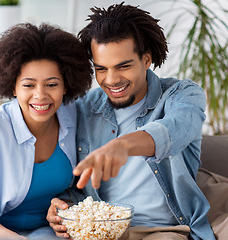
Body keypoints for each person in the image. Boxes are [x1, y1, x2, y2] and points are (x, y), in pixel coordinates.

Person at [47, 3, 216, 240]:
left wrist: (122, 145)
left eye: (123, 66)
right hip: (100, 231)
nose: (112, 80)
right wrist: (62, 205)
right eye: (101, 69)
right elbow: (76, 182)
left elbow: (176, 128)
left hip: (164, 230)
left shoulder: (181, 95)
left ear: (146, 60)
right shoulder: (84, 108)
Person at [0, 23, 92, 239]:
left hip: (46, 230)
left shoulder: (74, 115)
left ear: (66, 86)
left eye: (51, 84)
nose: (40, 95)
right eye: (28, 85)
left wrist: (64, 207)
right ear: (13, 87)